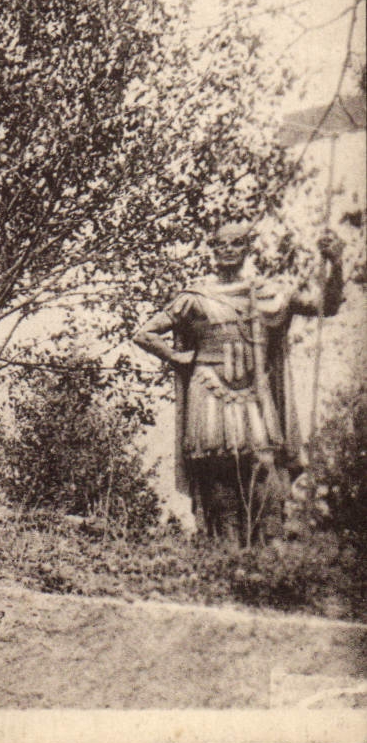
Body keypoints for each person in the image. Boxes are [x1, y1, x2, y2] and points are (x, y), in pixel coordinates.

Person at [133, 221, 344, 543]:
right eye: (222, 244)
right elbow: (145, 333)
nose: (228, 250)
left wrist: (335, 264)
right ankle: (227, 548)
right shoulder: (196, 296)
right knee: (217, 467)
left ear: (248, 248)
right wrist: (177, 357)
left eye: (236, 243)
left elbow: (325, 306)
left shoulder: (269, 293)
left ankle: (270, 544)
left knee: (264, 462)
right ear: (213, 250)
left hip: (254, 388)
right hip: (208, 385)